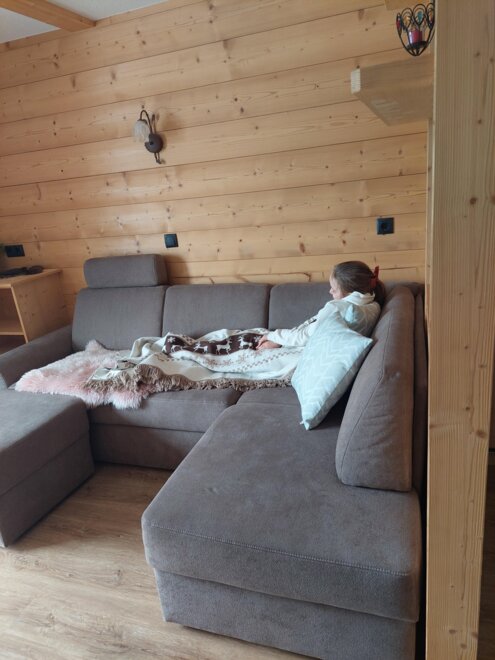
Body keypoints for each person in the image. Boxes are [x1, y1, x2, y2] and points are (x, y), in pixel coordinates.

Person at [256, 261, 385, 350]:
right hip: (290, 340)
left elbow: (303, 337)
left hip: (300, 348)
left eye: (334, 289)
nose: (330, 291)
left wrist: (272, 336)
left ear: (349, 292)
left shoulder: (337, 308)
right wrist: (278, 340)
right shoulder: (372, 303)